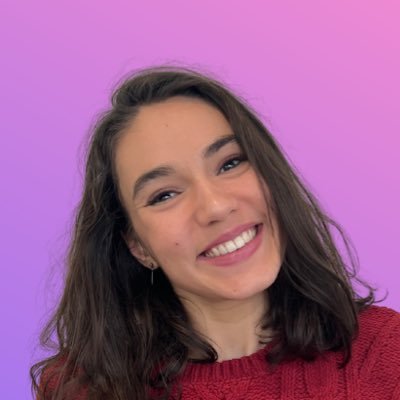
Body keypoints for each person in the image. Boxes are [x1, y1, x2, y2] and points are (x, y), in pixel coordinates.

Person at [31, 66, 400, 400]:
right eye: (165, 195)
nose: (215, 207)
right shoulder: (78, 390)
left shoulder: (386, 351)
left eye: (230, 163)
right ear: (137, 245)